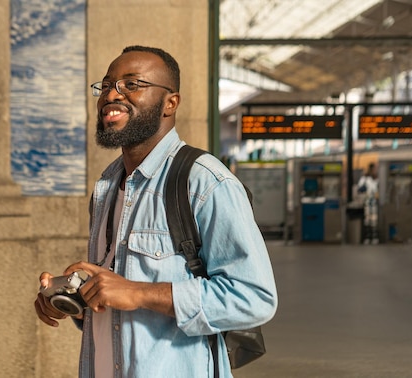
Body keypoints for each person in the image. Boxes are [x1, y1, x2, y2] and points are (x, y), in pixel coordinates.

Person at [34, 45, 277, 377]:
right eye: (106, 85)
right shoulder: (106, 186)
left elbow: (254, 297)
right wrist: (76, 301)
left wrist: (140, 293)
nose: (111, 95)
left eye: (131, 84)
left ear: (170, 103)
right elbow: (120, 305)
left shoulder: (205, 182)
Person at [357, 163, 379, 244]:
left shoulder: (377, 179)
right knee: (367, 220)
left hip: (375, 202)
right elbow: (359, 189)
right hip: (367, 201)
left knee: (374, 221)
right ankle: (367, 237)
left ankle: (374, 237)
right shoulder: (365, 179)